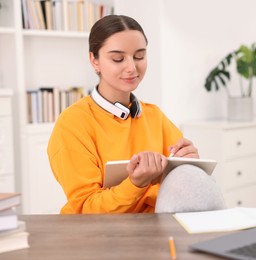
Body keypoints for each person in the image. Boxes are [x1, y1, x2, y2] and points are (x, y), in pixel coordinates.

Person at [47, 15, 225, 214]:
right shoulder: (73, 123)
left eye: (139, 56)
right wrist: (135, 184)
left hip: (154, 227)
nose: (132, 67)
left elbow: (185, 185)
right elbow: (87, 208)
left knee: (194, 178)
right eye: (118, 58)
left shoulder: (154, 116)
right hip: (98, 232)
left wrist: (190, 160)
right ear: (94, 60)